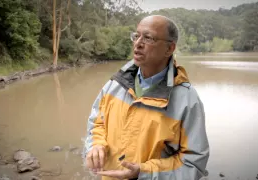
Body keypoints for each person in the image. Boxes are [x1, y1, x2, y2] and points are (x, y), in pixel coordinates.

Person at [82, 15, 210, 180]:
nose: (138, 43)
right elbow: (97, 123)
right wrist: (96, 145)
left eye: (148, 38)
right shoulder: (115, 84)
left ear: (169, 49)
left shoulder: (186, 100)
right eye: (136, 36)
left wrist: (143, 173)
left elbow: (193, 163)